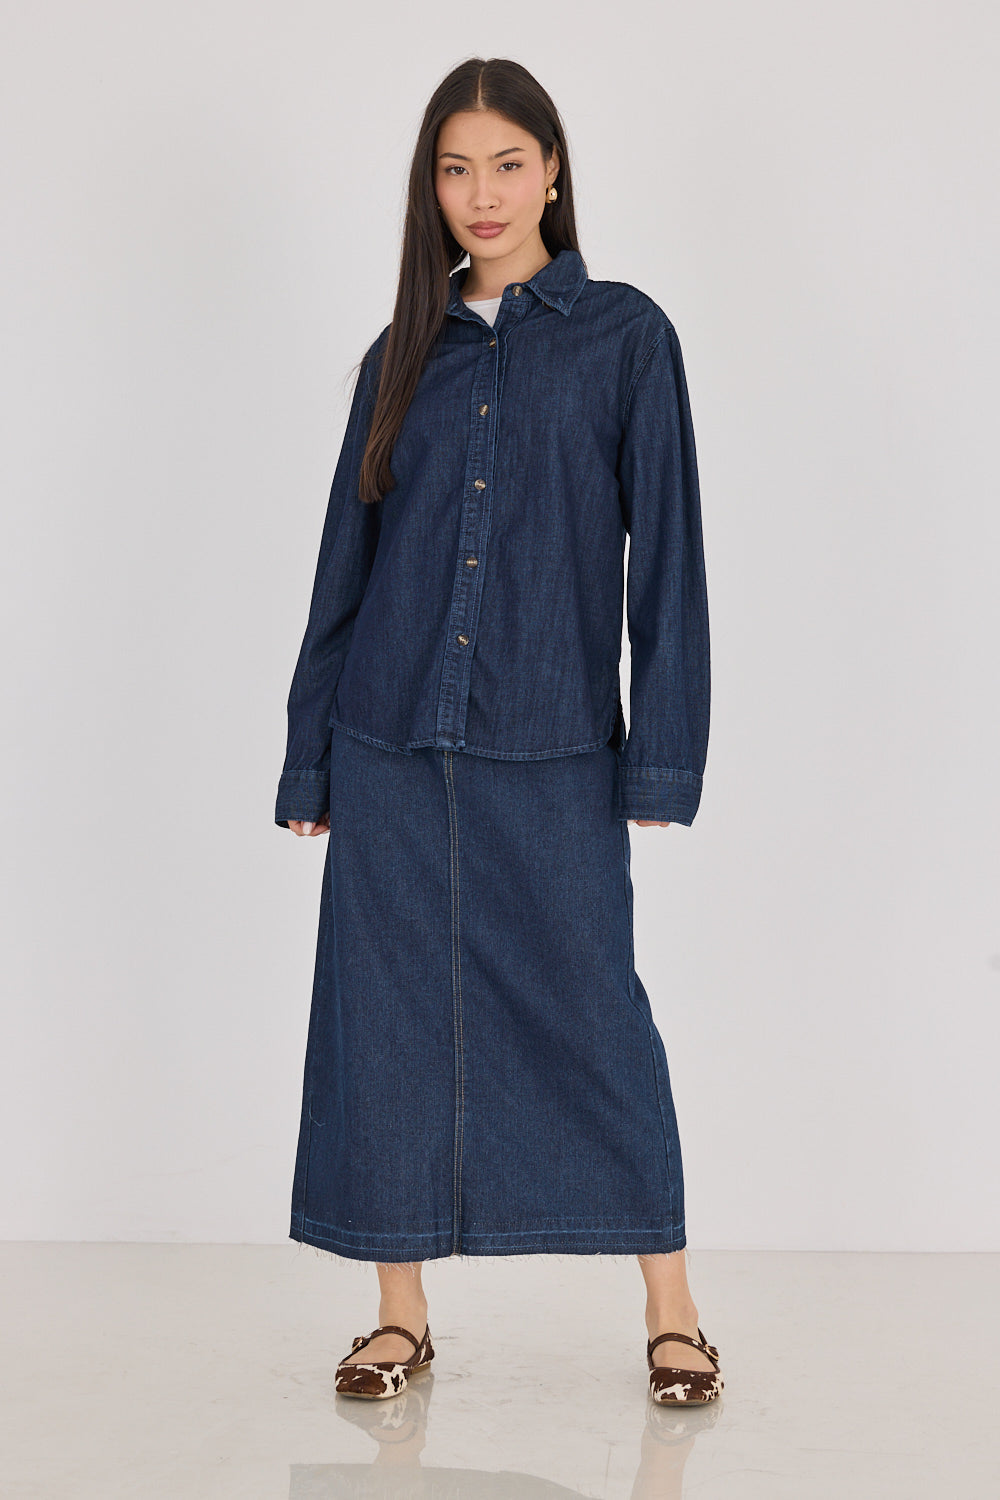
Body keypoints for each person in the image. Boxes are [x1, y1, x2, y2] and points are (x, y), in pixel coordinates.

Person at [274, 56, 722, 1407]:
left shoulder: (625, 336)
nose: (483, 193)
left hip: (553, 741)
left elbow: (669, 562)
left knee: (595, 1015)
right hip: (390, 742)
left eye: (508, 164)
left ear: (554, 170)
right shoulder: (398, 354)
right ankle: (398, 1317)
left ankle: (675, 1310)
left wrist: (663, 753)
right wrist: (310, 752)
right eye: (457, 168)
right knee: (385, 1023)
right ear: (432, 186)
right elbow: (346, 567)